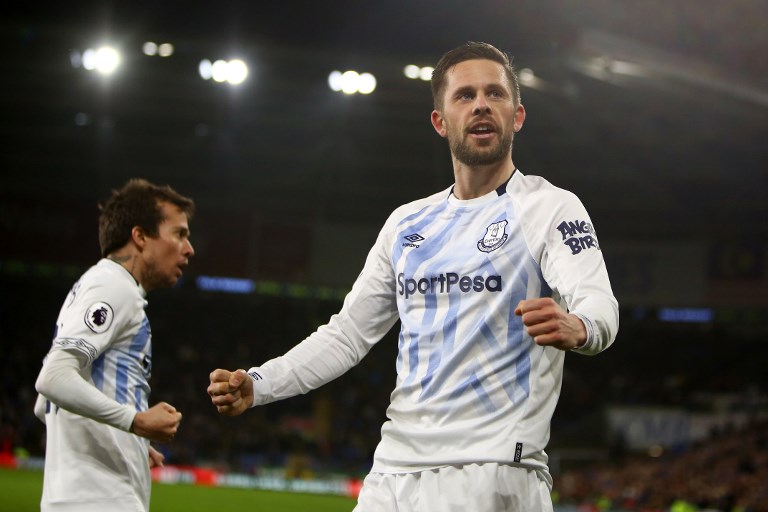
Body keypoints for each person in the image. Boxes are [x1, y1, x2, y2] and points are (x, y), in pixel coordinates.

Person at [208, 41, 619, 511]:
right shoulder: (406, 224)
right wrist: (260, 383)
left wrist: (580, 326)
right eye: (464, 95)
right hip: (394, 474)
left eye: (495, 94)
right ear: (440, 121)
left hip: (495, 471)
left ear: (517, 115)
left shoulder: (548, 207)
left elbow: (599, 303)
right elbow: (346, 336)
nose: (481, 104)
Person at [34, 178, 195, 512]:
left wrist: (123, 439)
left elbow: (43, 405)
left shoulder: (96, 285)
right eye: (179, 234)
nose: (189, 248)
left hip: (78, 495)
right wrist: (134, 422)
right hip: (99, 497)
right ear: (140, 237)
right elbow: (52, 379)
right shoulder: (114, 287)